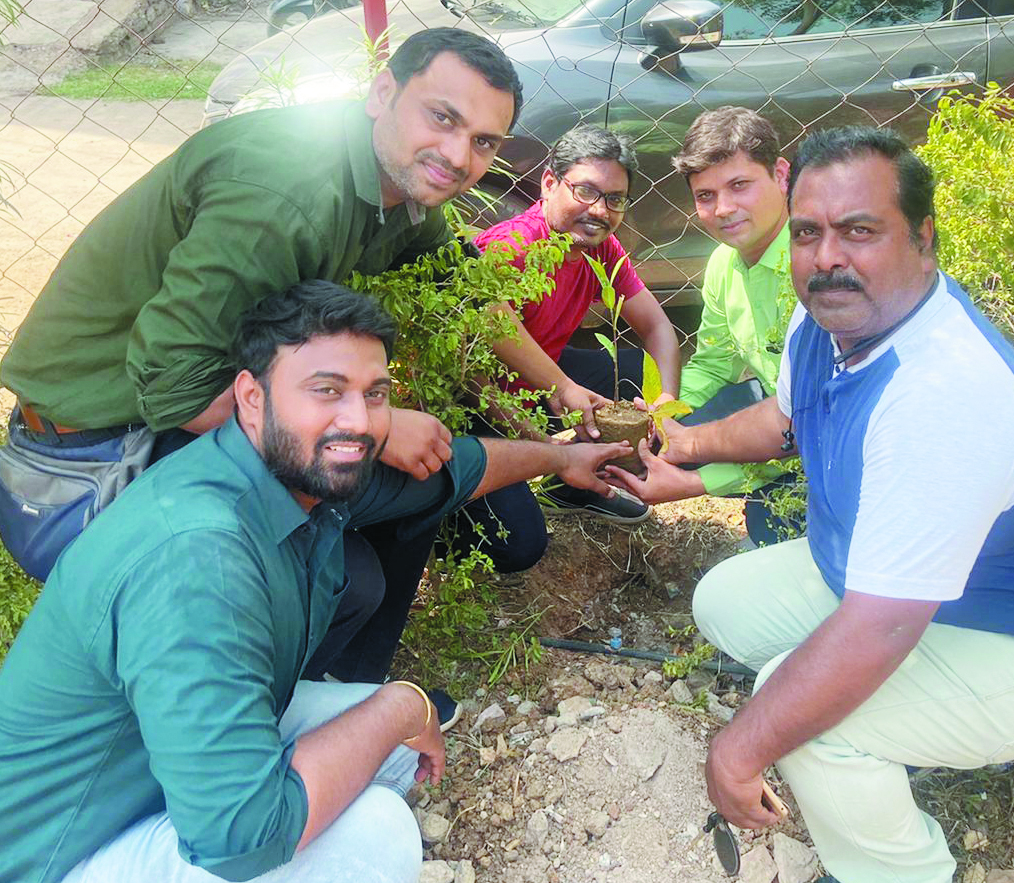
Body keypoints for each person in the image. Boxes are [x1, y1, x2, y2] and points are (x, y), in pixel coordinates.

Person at [608, 126, 1014, 883]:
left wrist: (739, 750)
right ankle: (895, 735)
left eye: (859, 230)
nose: (826, 257)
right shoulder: (829, 323)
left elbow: (877, 630)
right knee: (726, 603)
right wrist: (685, 446)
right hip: (914, 593)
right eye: (808, 232)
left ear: (922, 238)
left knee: (795, 708)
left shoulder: (941, 395)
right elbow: (779, 421)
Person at [0, 279, 628, 883]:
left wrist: (565, 459)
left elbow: (459, 471)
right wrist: (398, 706)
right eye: (326, 390)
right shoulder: (199, 556)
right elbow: (243, 838)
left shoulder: (290, 470)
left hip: (142, 778)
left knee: (389, 758)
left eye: (376, 394)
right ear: (251, 397)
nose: (358, 420)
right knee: (375, 848)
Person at [0, 27, 599, 697]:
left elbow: (464, 292)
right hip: (100, 449)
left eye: (484, 142)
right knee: (352, 560)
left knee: (392, 509)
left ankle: (345, 687)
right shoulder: (286, 194)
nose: (459, 156)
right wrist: (374, 429)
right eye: (442, 117)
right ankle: (269, 711)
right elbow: (177, 390)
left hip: (187, 404)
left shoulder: (394, 184)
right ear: (383, 93)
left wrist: (563, 387)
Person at [450, 124, 682, 571]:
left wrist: (663, 403)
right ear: (549, 183)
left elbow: (657, 326)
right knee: (517, 547)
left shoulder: (600, 247)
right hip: (477, 405)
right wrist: (552, 452)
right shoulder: (511, 250)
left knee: (636, 372)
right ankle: (452, 510)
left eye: (615, 199)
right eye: (586, 191)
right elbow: (470, 378)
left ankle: (574, 488)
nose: (600, 210)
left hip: (541, 383)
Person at [666, 106, 797, 546]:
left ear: (781, 175)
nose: (723, 209)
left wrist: (698, 481)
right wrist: (661, 413)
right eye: (705, 195)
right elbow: (713, 362)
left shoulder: (816, 266)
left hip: (832, 436)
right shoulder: (724, 263)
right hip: (777, 403)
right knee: (662, 440)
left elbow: (815, 423)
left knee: (772, 526)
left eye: (740, 185)